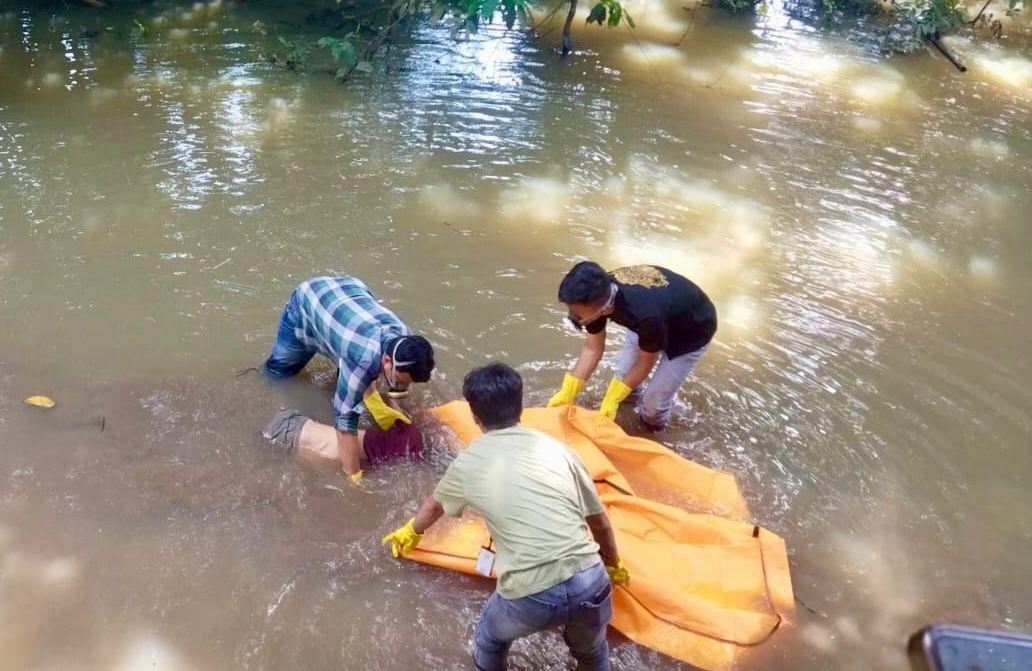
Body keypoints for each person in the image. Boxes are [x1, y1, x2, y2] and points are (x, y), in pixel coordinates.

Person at [382, 363, 629, 671]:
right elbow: (600, 522)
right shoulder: (558, 449)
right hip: (591, 580)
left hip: (532, 594)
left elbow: (434, 507)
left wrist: (409, 533)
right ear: (521, 407)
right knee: (592, 653)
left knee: (490, 638)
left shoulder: (470, 460)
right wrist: (612, 564)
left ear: (474, 416)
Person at [261, 275, 434, 482]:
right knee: (279, 373)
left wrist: (382, 405)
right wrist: (354, 479)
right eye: (399, 380)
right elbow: (345, 425)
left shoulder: (405, 339)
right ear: (387, 360)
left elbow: (372, 366)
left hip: (350, 290)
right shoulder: (361, 358)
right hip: (308, 302)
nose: (402, 386)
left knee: (353, 366)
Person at [548, 262, 716, 431]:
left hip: (692, 330)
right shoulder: (596, 294)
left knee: (653, 406)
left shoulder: (645, 316)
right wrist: (567, 392)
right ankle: (627, 407)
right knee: (624, 378)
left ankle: (651, 432)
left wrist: (612, 397)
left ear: (605, 310)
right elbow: (593, 349)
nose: (572, 316)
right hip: (655, 316)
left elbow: (646, 362)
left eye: (576, 312)